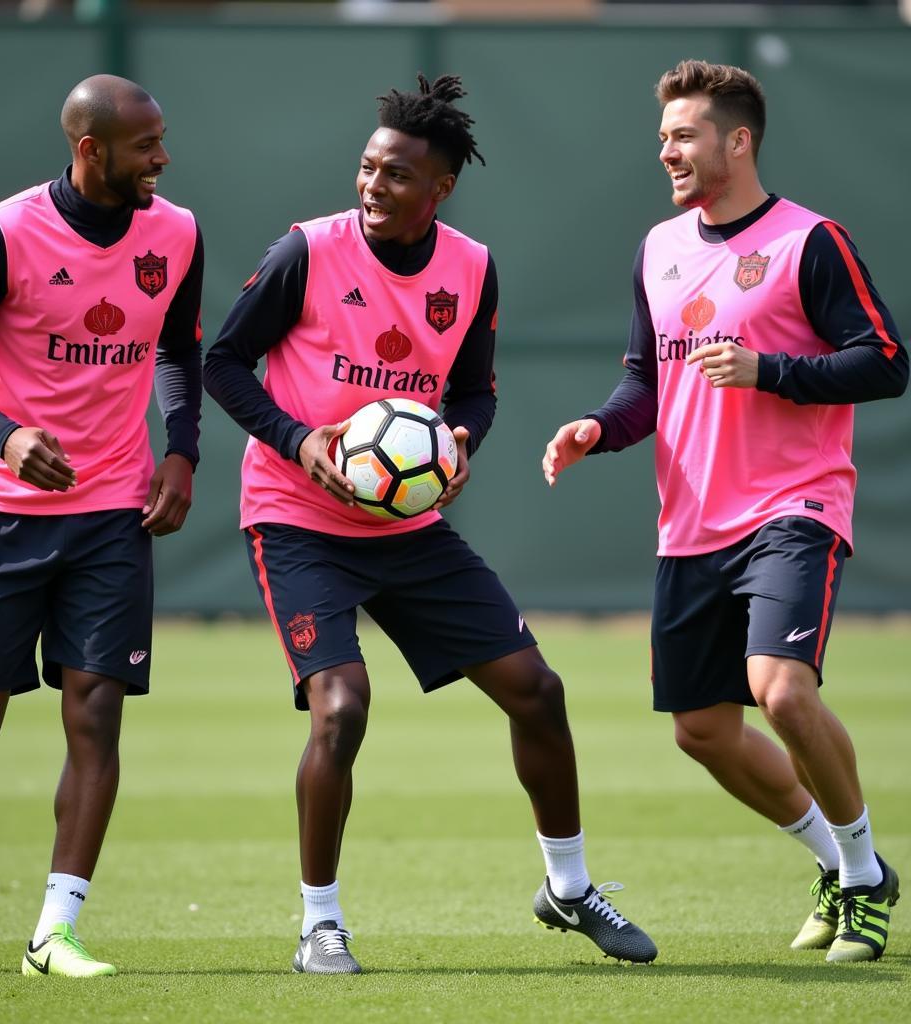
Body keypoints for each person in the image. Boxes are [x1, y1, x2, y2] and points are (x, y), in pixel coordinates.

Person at [203, 73, 657, 974]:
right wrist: (301, 443)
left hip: (407, 527)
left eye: (398, 175)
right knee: (341, 709)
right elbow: (223, 362)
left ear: (440, 188)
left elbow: (477, 392)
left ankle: (568, 889)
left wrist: (457, 444)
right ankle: (320, 924)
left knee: (539, 690)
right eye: (369, 168)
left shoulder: (473, 267)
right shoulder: (307, 250)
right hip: (298, 519)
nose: (374, 185)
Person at [543, 59, 906, 963]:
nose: (665, 148)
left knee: (779, 687)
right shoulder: (659, 248)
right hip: (692, 522)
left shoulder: (809, 241)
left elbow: (888, 361)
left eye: (684, 134)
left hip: (795, 504)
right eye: (664, 134)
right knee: (703, 731)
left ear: (738, 142)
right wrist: (598, 426)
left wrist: (770, 370)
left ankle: (864, 882)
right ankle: (842, 864)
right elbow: (645, 382)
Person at [0, 74, 204, 978]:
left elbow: (180, 346)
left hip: (112, 511)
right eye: (146, 144)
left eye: (162, 139)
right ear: (91, 150)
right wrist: (2, 433)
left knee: (97, 714)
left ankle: (56, 930)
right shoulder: (6, 232)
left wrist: (181, 451)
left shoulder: (177, 231)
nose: (162, 157)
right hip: (2, 511)